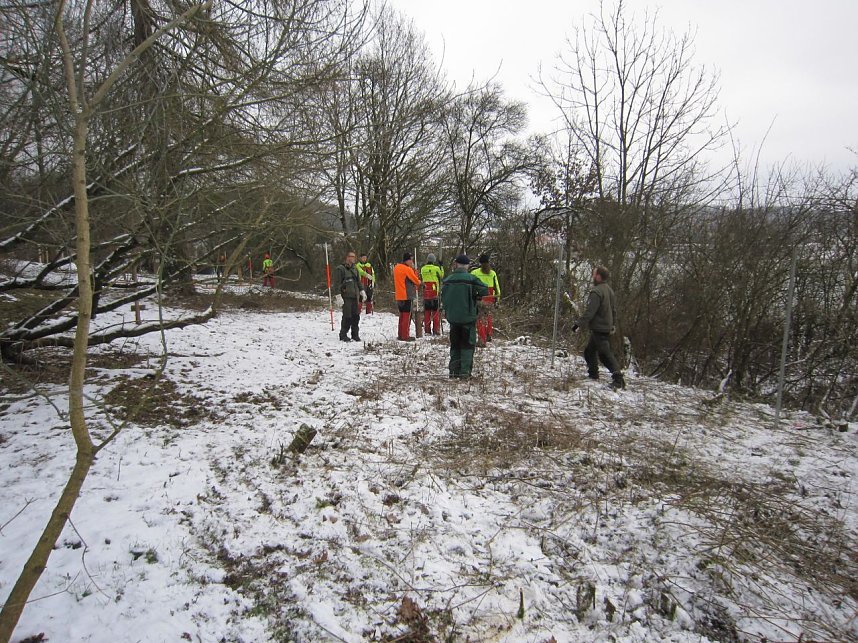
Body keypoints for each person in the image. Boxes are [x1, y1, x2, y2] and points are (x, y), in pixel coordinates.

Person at [573, 265, 626, 390]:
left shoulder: (596, 292)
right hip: (605, 327)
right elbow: (614, 310)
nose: (592, 276)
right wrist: (612, 325)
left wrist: (578, 324)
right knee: (589, 351)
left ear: (598, 276)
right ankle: (593, 374)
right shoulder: (609, 290)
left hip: (599, 328)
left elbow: (590, 312)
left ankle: (618, 379)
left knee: (605, 355)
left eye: (594, 274)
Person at [441, 255, 488, 379]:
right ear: (467, 266)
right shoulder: (471, 279)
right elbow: (484, 290)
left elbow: (443, 297)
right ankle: (465, 373)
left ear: (456, 264)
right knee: (467, 345)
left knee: (455, 344)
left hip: (452, 318)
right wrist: (476, 295)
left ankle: (453, 372)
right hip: (468, 318)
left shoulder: (448, 280)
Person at [334, 250, 366, 342]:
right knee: (347, 316)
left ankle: (355, 335)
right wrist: (338, 296)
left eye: (354, 257)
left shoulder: (355, 269)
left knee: (356, 316)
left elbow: (358, 282)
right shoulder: (340, 269)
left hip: (355, 296)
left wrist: (362, 291)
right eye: (351, 256)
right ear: (347, 257)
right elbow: (336, 284)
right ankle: (343, 334)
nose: (353, 258)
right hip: (346, 296)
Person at [470, 253, 501, 346]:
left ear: (480, 263)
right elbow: (497, 287)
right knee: (489, 317)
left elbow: (471, 286)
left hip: (480, 298)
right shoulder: (492, 273)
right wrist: (497, 299)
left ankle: (482, 339)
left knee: (480, 318)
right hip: (491, 298)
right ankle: (489, 335)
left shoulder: (474, 273)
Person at [392, 252, 421, 341]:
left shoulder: (396, 267)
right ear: (407, 260)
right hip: (406, 295)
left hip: (399, 295)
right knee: (406, 316)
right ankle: (405, 336)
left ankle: (400, 334)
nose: (412, 262)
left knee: (402, 315)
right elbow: (416, 280)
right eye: (411, 260)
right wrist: (418, 279)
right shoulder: (407, 269)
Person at [420, 253, 445, 335]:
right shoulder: (436, 268)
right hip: (434, 293)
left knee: (427, 312)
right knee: (435, 311)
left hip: (426, 292)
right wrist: (441, 266)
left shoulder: (423, 269)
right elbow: (441, 275)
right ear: (434, 261)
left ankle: (427, 330)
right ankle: (436, 330)